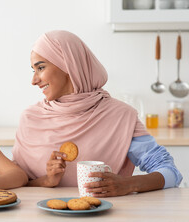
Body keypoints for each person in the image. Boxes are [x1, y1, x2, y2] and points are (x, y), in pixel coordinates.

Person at [12, 30, 182, 197]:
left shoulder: (120, 116)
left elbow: (171, 172)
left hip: (105, 218)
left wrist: (128, 184)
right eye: (33, 70)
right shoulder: (30, 118)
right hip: (39, 220)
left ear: (68, 64)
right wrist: (47, 181)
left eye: (40, 68)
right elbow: (15, 182)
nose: (34, 80)